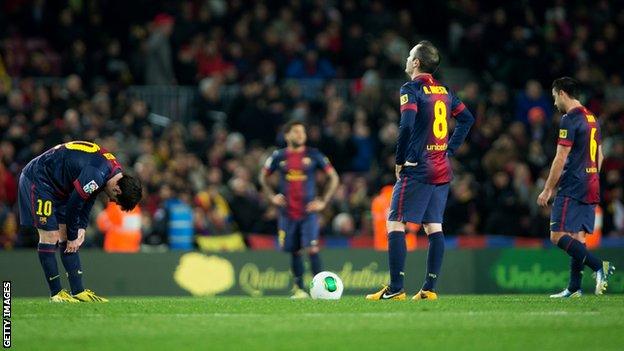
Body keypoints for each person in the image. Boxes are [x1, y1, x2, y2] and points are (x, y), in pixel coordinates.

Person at [366, 40, 474, 300]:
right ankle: (429, 289)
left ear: (416, 62)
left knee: (394, 222)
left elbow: (406, 126)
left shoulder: (411, 89)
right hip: (441, 168)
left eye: (409, 55)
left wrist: (400, 159)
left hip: (418, 167)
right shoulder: (445, 91)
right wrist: (448, 149)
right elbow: (467, 119)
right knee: (433, 227)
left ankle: (395, 288)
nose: (406, 59)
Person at [18, 141, 142, 302]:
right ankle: (56, 293)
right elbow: (74, 205)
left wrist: (81, 227)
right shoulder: (97, 174)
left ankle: (78, 291)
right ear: (117, 190)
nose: (112, 202)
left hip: (59, 186)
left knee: (65, 234)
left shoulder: (112, 172)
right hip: (40, 180)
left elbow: (89, 196)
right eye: (116, 200)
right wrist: (72, 236)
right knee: (50, 236)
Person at [537, 77, 615, 298]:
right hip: (591, 183)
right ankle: (574, 287)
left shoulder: (569, 119)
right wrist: (591, 176)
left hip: (573, 184)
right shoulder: (592, 117)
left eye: (554, 97)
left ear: (562, 93)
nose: (554, 103)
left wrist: (548, 188)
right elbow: (600, 155)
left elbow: (560, 157)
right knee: (577, 236)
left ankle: (600, 266)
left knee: (556, 235)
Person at [259, 122, 339, 298]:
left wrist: (324, 201)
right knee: (294, 250)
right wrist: (272, 196)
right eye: (296, 131)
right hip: (287, 213)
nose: (301, 135)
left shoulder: (314, 155)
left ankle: (323, 290)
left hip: (308, 212)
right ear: (287, 135)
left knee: (312, 249)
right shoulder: (278, 156)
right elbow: (263, 176)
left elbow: (333, 177)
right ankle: (299, 289)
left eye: (303, 131)